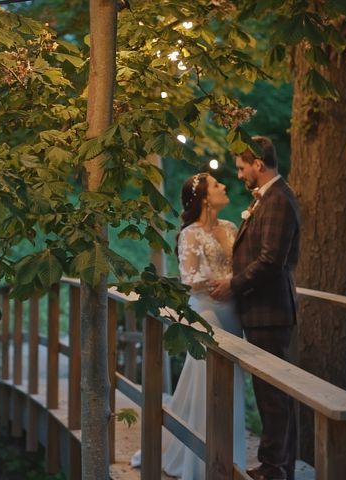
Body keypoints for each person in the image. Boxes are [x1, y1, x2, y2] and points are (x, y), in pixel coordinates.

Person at [130, 172, 246, 478]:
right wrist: (220, 283)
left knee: (232, 382)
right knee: (207, 382)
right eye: (217, 185)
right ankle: (200, 461)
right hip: (206, 312)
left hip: (233, 312)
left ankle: (230, 459)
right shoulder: (190, 234)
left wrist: (233, 283)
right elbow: (190, 280)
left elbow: (241, 271)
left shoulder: (232, 228)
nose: (224, 186)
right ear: (206, 197)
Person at [210, 136, 300, 480]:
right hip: (261, 310)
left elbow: (270, 261)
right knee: (268, 394)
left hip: (270, 312)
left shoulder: (278, 200)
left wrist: (233, 283)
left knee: (272, 395)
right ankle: (276, 465)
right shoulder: (267, 199)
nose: (239, 174)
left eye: (241, 166)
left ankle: (274, 469)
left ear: (258, 164)